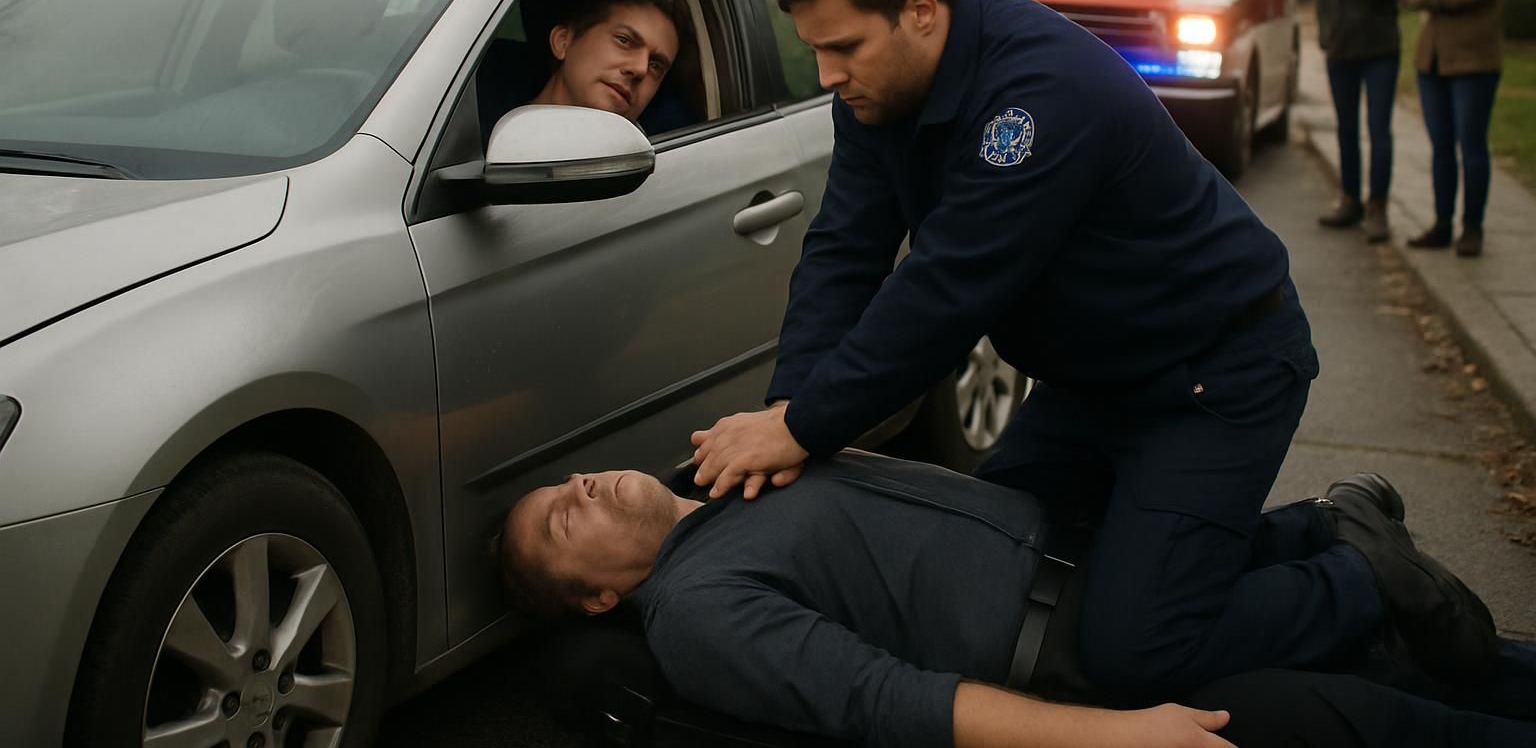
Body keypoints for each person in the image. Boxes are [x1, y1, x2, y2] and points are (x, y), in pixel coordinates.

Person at [686, 0, 1494, 697]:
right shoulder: (878, 93)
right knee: (992, 567)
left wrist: (801, 427)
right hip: (1094, 380)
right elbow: (843, 251)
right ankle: (1311, 530)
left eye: (844, 48)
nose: (829, 75)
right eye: (817, 51)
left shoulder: (1036, 95)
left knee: (1135, 651)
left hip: (1214, 374)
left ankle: (1366, 579)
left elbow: (943, 292)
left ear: (922, 11)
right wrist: (788, 406)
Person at [499, 453, 1536, 748]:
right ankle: (1358, 555)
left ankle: (1340, 537)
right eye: (560, 520)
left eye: (568, 479)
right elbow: (888, 701)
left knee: (1436, 658)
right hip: (1088, 649)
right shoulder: (696, 610)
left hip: (1107, 559)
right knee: (1388, 695)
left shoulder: (734, 473)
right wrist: (1124, 738)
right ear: (596, 599)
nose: (581, 486)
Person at [1400, 0, 1510, 258]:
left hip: (1474, 63)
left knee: (1472, 146)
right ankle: (1442, 223)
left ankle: (1473, 227)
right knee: (1440, 147)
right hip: (1431, 63)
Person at [476, 0, 694, 142]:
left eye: (655, 65)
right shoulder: (465, 126)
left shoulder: (655, 165)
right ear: (563, 41)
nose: (640, 69)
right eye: (624, 40)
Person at [1314, 0, 1408, 242]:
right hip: (1342, 49)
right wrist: (1325, 34)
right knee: (1346, 129)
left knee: (1378, 130)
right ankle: (1349, 199)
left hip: (1380, 50)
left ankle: (1378, 207)